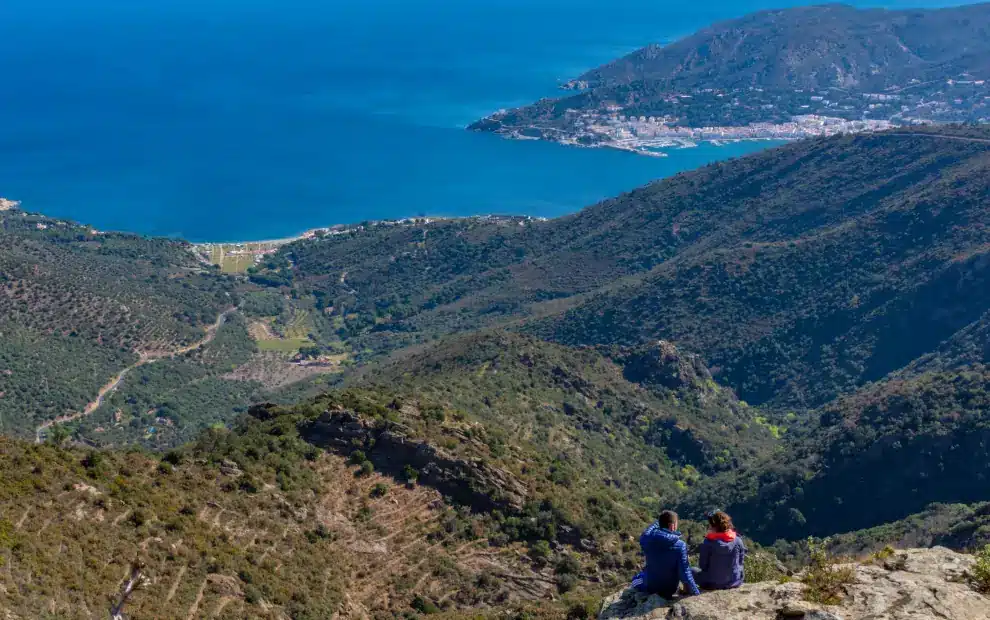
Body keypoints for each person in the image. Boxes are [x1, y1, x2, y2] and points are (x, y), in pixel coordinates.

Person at [632, 510, 700, 598]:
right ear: (672, 526)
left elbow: (646, 533)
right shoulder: (680, 545)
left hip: (651, 587)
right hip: (670, 589)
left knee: (635, 580)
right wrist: (695, 592)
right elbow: (685, 572)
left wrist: (658, 522)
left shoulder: (648, 540)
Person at [695, 510, 746, 591]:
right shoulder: (737, 540)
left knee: (691, 571)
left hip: (711, 583)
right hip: (733, 581)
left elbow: (703, 565)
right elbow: (741, 562)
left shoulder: (708, 542)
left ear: (713, 526)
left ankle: (688, 592)